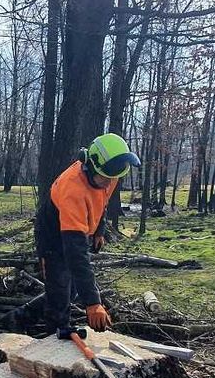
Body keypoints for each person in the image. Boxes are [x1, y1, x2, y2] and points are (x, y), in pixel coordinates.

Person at [34, 133, 140, 339]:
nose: (110, 182)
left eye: (113, 178)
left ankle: (25, 315)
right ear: (91, 166)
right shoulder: (73, 189)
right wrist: (93, 303)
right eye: (106, 178)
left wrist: (99, 230)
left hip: (75, 228)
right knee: (60, 284)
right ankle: (56, 334)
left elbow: (103, 201)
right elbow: (76, 254)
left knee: (70, 290)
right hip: (52, 236)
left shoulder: (110, 173)